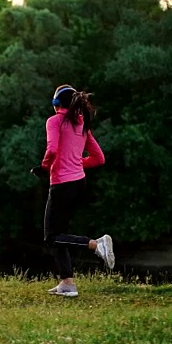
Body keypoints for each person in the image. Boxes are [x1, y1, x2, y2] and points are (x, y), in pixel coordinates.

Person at [31, 84, 115, 297]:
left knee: (51, 237)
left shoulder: (54, 121)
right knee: (60, 234)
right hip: (79, 184)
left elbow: (51, 149)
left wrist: (45, 167)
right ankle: (67, 283)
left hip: (62, 185)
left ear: (56, 103)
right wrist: (75, 163)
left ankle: (97, 245)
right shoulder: (81, 124)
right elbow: (99, 158)